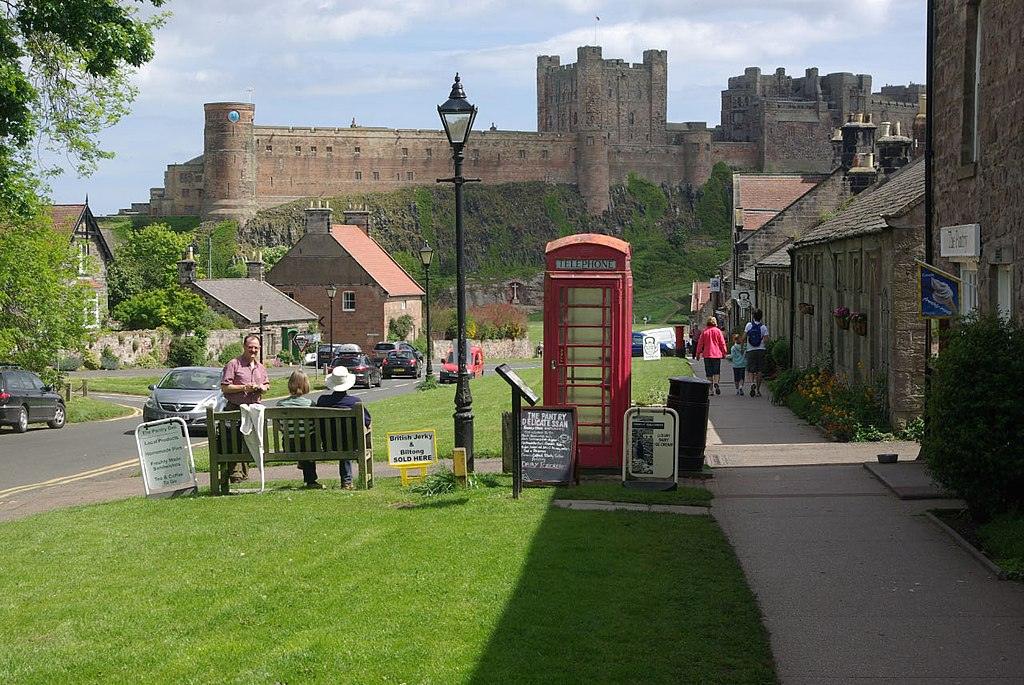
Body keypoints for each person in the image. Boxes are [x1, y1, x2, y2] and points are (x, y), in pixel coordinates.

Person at [220, 334, 270, 482]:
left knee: (249, 441)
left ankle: (244, 474)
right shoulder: (234, 364)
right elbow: (225, 387)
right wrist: (244, 387)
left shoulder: (260, 367)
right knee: (234, 441)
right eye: (250, 347)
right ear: (244, 347)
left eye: (256, 348)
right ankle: (235, 474)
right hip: (235, 409)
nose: (253, 350)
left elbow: (267, 383)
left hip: (253, 409)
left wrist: (263, 388)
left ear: (259, 349)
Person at [313, 366, 371, 490]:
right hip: (350, 445)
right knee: (346, 441)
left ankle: (310, 480)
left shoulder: (322, 401)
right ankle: (346, 482)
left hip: (328, 444)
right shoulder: (355, 402)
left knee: (341, 439)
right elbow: (367, 421)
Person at [276, 370, 321, 489]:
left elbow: (280, 427)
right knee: (309, 438)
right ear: (306, 385)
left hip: (289, 445)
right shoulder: (310, 404)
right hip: (309, 446)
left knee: (299, 440)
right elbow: (315, 426)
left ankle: (302, 462)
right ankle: (311, 480)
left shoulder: (280, 405)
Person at [695, 316, 728, 395]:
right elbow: (722, 343)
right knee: (716, 371)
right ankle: (716, 383)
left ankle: (711, 390)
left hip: (707, 355)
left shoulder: (705, 332)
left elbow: (700, 344)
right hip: (716, 355)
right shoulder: (718, 331)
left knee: (709, 373)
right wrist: (724, 352)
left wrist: (698, 353)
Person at [744, 309, 770, 398]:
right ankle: (758, 390)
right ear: (761, 317)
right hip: (761, 350)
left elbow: (744, 337)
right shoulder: (763, 327)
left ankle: (752, 383)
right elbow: (766, 340)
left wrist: (741, 347)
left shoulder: (749, 325)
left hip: (750, 350)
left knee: (751, 369)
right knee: (759, 370)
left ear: (753, 316)